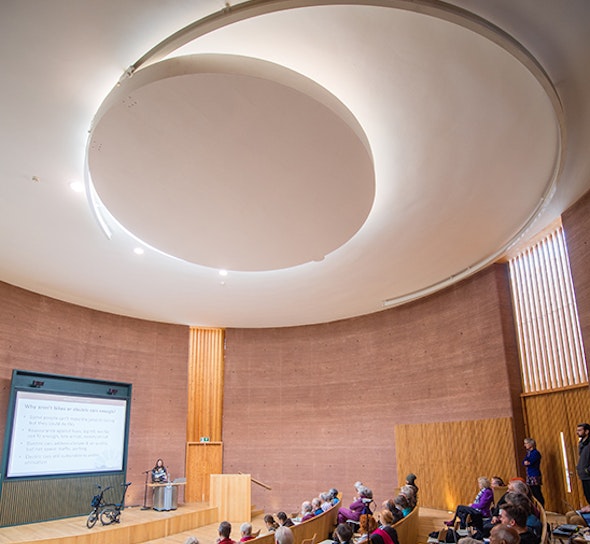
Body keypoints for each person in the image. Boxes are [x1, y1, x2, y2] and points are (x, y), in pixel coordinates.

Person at [523, 438, 544, 506]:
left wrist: (527, 462)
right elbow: (524, 461)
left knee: (537, 492)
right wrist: (526, 462)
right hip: (529, 474)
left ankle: (541, 507)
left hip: (534, 474)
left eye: (526, 443)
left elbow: (530, 462)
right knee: (532, 492)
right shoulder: (528, 453)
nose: (525, 445)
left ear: (530, 444)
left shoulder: (536, 453)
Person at [577, 423, 590, 503]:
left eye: (580, 430)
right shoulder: (581, 444)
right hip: (583, 475)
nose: (577, 432)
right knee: (587, 495)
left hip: (588, 475)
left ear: (587, 431)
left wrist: (588, 470)